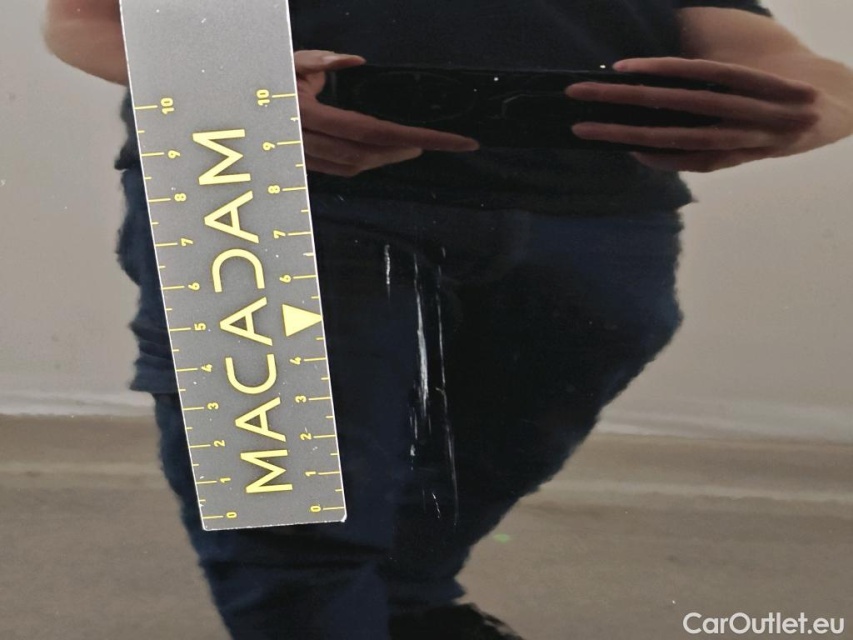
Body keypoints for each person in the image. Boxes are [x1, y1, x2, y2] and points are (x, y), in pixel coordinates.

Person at [43, 1, 853, 638]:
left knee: (483, 460)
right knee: (286, 509)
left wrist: (819, 104)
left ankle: (408, 604)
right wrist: (219, 83)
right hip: (252, 171)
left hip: (585, 198)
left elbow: (753, 42)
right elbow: (87, 12)